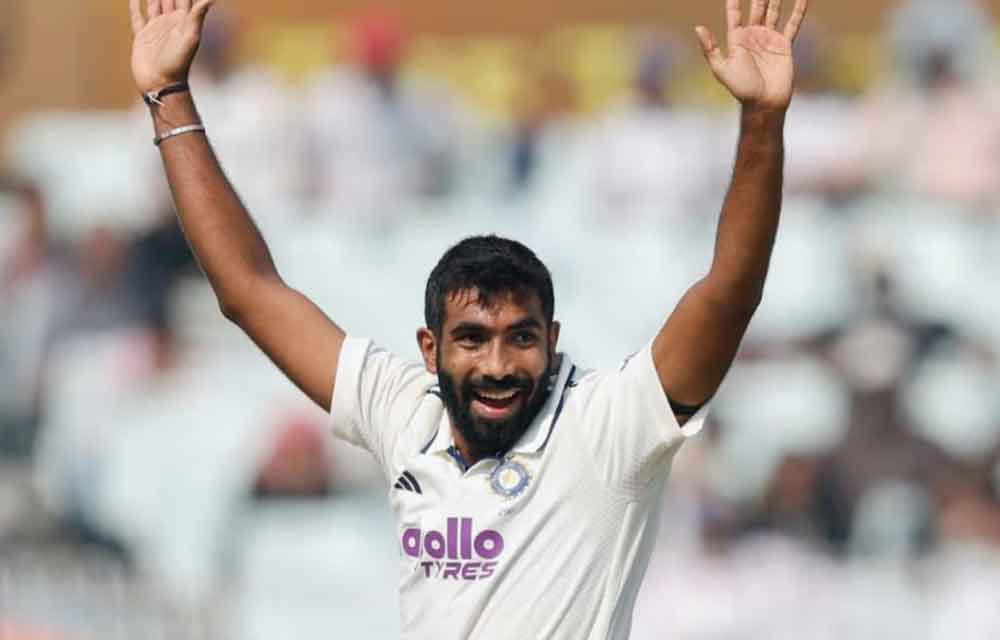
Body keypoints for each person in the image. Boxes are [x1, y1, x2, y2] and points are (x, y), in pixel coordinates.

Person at [126, 0, 808, 636]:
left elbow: (729, 293)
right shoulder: (405, 412)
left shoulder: (608, 426)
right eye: (472, 340)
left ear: (554, 341)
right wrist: (168, 96)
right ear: (430, 348)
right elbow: (248, 291)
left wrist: (760, 125)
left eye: (522, 338)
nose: (498, 364)